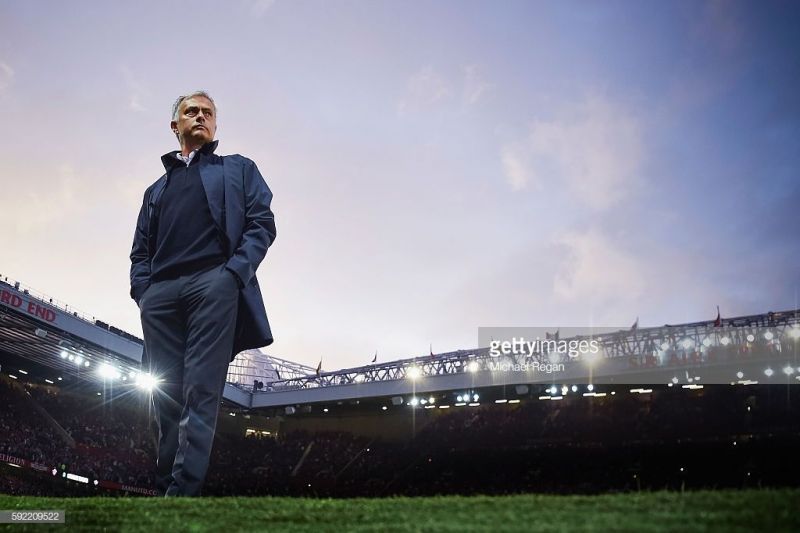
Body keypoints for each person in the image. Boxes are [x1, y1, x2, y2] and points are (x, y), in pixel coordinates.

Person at [129, 90, 277, 496]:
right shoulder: (155, 190)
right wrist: (144, 292)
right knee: (166, 397)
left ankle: (181, 498)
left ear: (215, 125)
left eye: (207, 112)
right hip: (160, 295)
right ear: (175, 125)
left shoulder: (239, 169)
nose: (199, 116)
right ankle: (164, 492)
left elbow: (262, 224)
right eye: (190, 111)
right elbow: (139, 251)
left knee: (200, 392)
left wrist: (231, 276)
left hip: (213, 284)